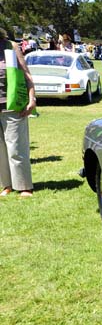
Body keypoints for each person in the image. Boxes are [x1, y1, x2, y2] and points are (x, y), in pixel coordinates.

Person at [0, 27, 37, 197]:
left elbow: (26, 75)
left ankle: (23, 186)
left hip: (12, 106)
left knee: (16, 148)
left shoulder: (10, 46)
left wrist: (32, 99)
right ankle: (6, 185)